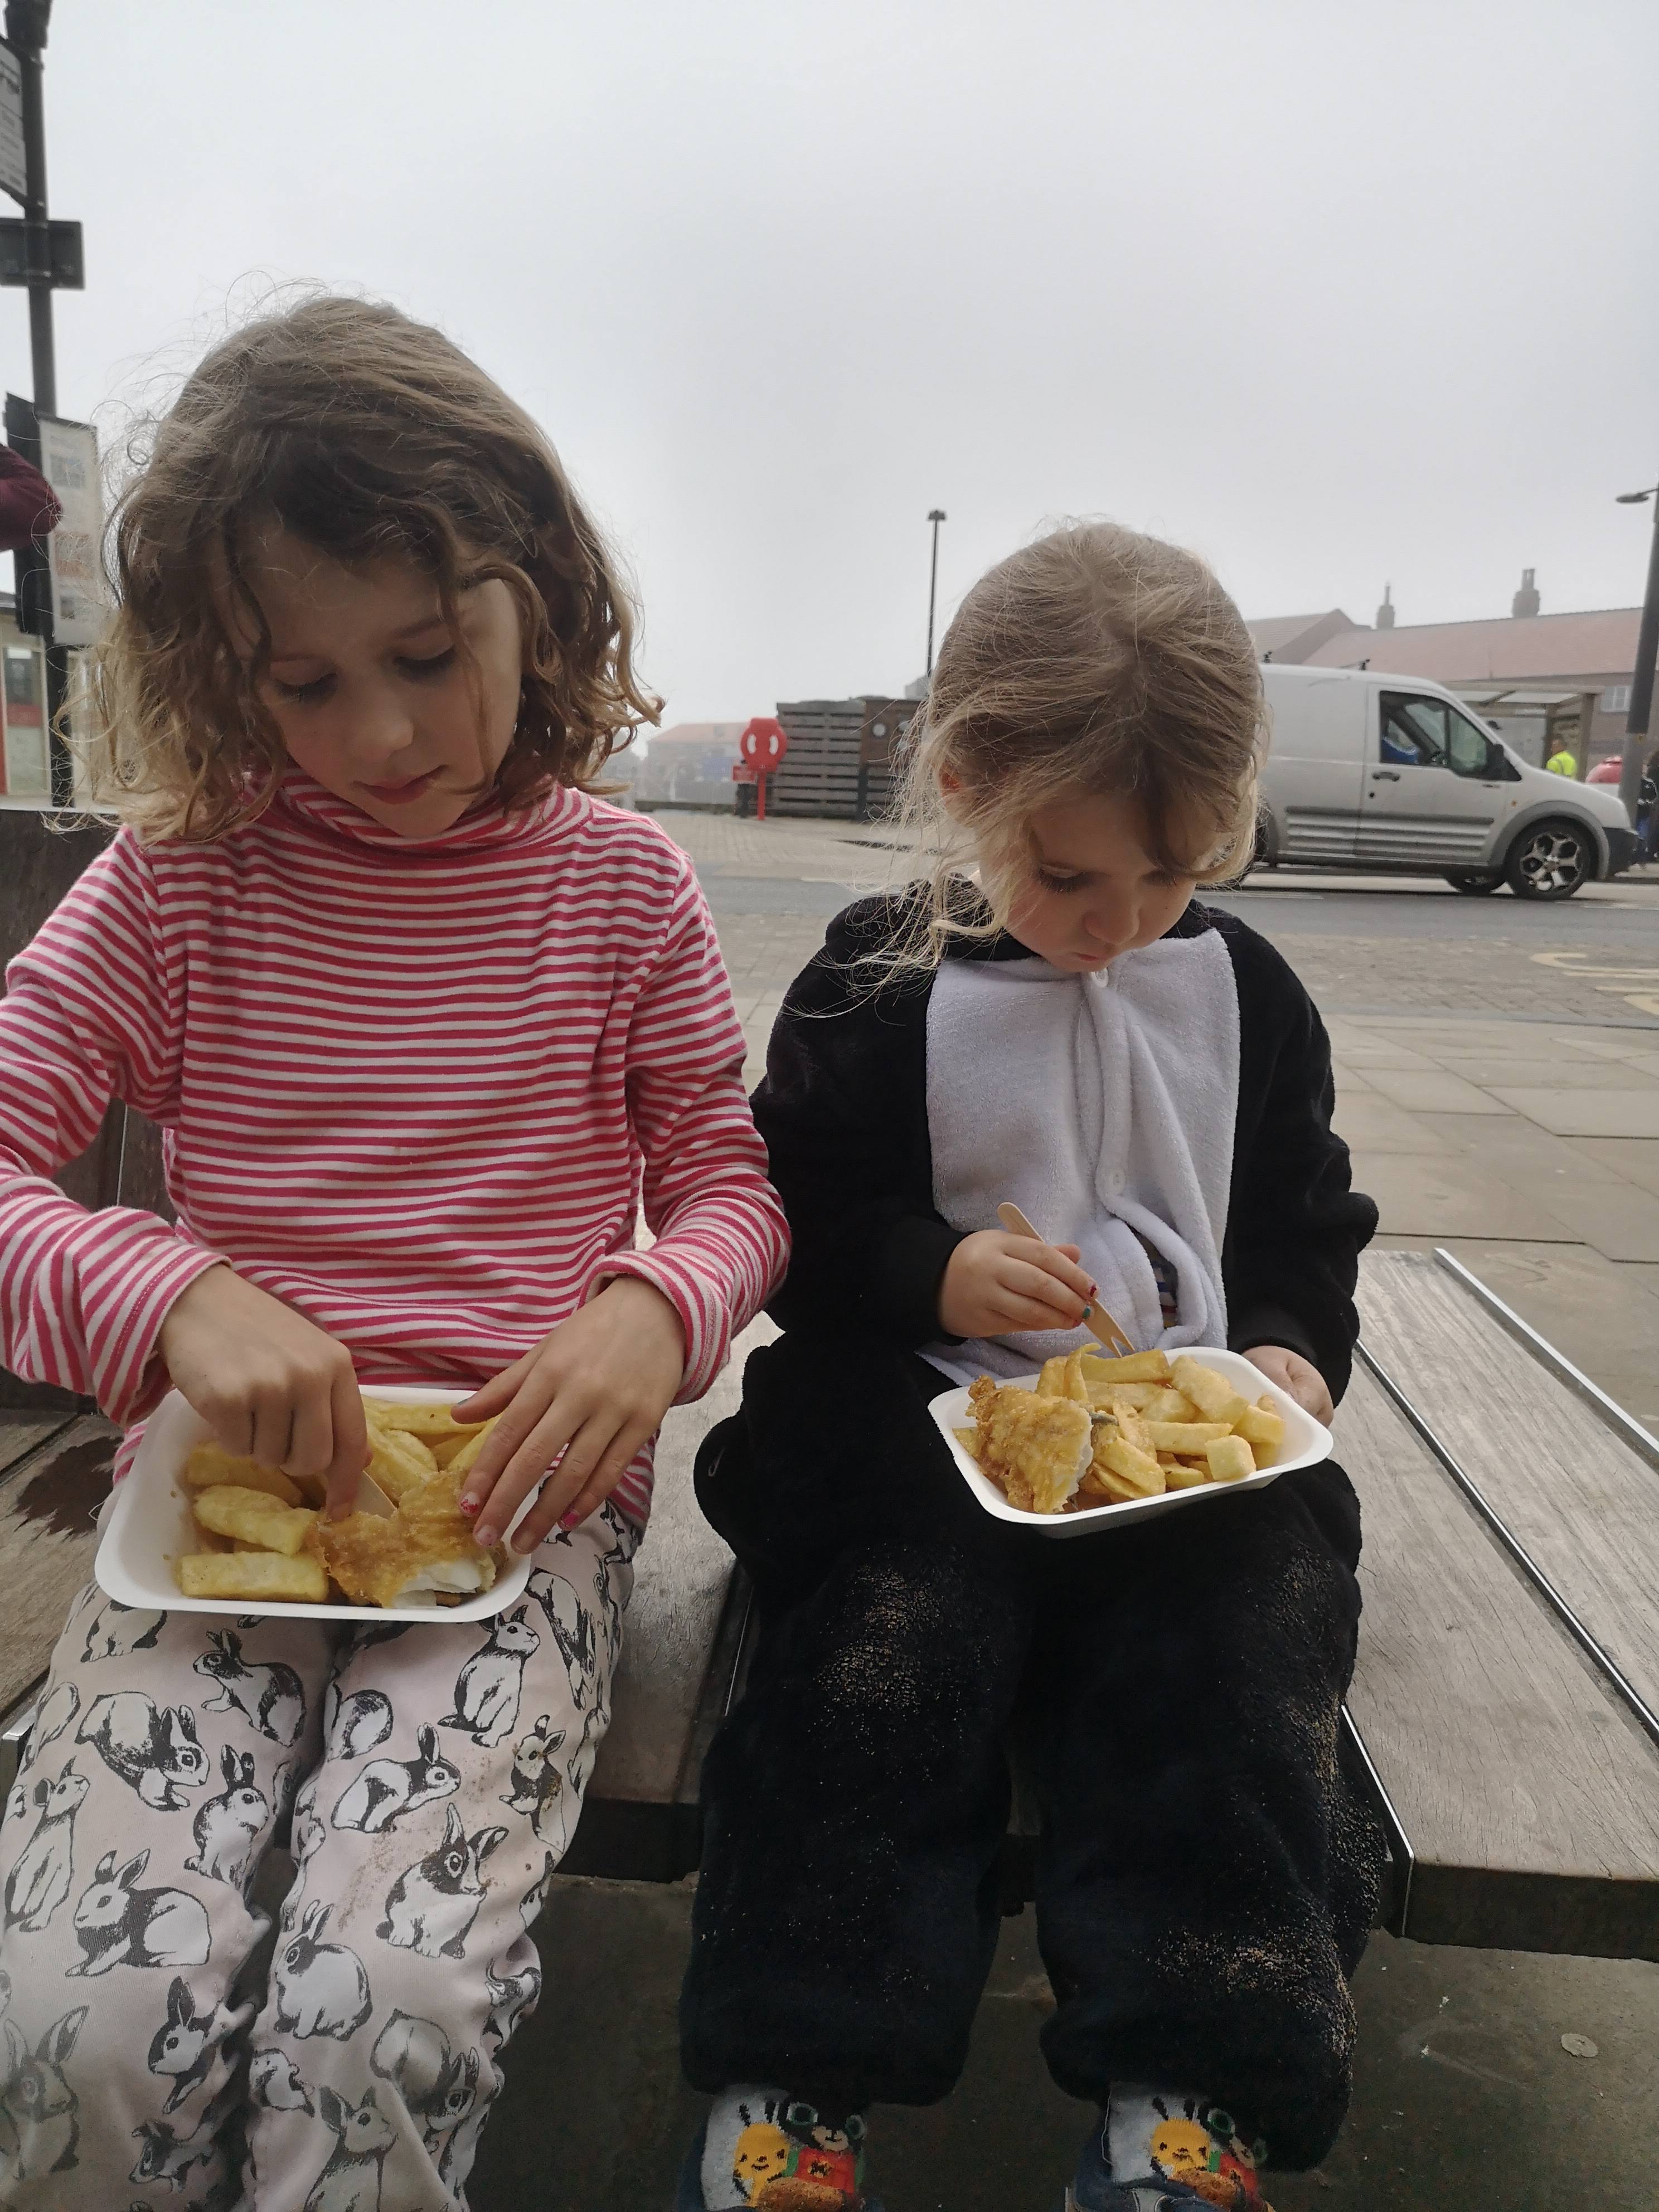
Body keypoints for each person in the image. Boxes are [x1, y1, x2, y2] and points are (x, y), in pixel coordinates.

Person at [0, 297, 787, 2211]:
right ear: (222, 676)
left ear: (538, 586)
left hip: (521, 1503)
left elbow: (733, 1189)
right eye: (302, 685)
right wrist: (162, 1285)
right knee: (67, 2025)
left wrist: (652, 1309)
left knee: (375, 2014)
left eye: (429, 656)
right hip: (207, 1506)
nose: (381, 737)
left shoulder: (623, 890)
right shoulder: (180, 879)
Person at [676, 523, 1388, 2212]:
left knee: (1249, 1634)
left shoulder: (1250, 995)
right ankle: (800, 2066)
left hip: (1171, 1435)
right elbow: (797, 1206)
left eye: (1168, 877)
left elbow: (1303, 1215)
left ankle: (1198, 2073)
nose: (1114, 922)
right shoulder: (879, 971)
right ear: (967, 782)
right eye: (1067, 876)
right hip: (909, 1409)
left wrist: (1288, 1349)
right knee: (882, 1646)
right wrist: (933, 1263)